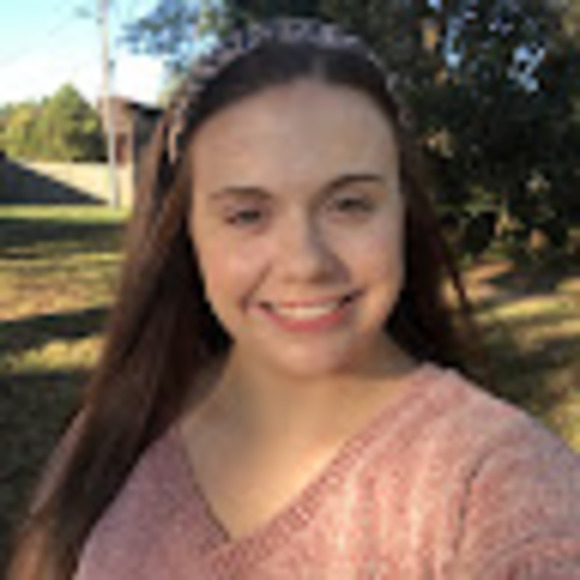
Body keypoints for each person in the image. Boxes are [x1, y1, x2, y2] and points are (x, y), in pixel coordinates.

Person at [8, 17, 580, 580]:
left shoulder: (497, 479)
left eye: (350, 205)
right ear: (187, 232)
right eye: (247, 215)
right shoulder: (116, 428)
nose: (306, 263)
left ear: (403, 213)